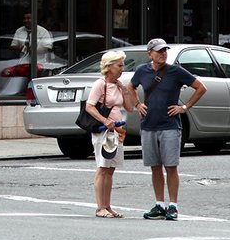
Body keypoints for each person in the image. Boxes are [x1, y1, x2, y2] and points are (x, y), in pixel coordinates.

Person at [128, 38, 208, 221]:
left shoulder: (175, 71)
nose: (163, 53)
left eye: (164, 50)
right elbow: (131, 86)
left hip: (170, 126)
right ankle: (159, 205)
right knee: (155, 167)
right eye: (158, 51)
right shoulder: (142, 71)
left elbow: (201, 88)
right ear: (150, 54)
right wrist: (137, 104)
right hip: (148, 125)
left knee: (171, 166)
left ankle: (173, 206)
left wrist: (184, 107)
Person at [85, 50, 129, 218]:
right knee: (102, 168)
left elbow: (130, 107)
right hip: (104, 132)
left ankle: (107, 206)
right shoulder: (100, 84)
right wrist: (105, 121)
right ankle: (100, 207)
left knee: (110, 169)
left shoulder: (118, 85)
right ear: (109, 66)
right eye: (119, 65)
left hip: (117, 131)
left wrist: (126, 91)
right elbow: (89, 106)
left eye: (122, 65)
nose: (122, 69)